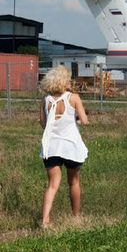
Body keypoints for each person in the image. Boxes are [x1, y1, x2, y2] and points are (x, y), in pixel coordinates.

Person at [39, 66, 89, 228]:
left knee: (53, 184)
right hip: (70, 147)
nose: (70, 82)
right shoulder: (73, 98)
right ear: (63, 81)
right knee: (73, 182)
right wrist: (77, 119)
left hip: (51, 146)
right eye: (68, 79)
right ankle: (75, 216)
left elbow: (43, 123)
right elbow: (84, 120)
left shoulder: (45, 100)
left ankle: (45, 220)